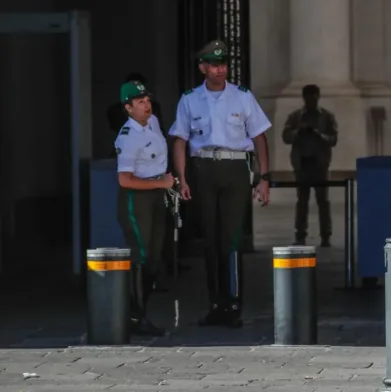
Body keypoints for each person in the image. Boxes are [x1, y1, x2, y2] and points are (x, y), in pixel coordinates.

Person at [169, 39, 271, 328]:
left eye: (223, 64)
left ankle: (234, 302)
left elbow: (260, 138)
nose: (220, 70)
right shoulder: (190, 99)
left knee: (232, 238)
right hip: (203, 169)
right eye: (214, 65)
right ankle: (216, 302)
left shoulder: (242, 96)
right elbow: (180, 141)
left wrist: (263, 178)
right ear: (202, 67)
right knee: (210, 240)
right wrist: (182, 178)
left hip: (235, 167)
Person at [114, 80, 174, 336]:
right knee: (140, 255)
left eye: (147, 100)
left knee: (154, 257)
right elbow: (124, 179)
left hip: (157, 193)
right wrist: (160, 182)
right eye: (140, 102)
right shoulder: (128, 137)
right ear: (128, 108)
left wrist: (164, 183)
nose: (146, 105)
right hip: (136, 198)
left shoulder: (154, 122)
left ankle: (138, 310)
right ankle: (136, 316)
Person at [282, 84, 338, 247]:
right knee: (302, 201)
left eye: (313, 98)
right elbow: (286, 137)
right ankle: (300, 234)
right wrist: (299, 131)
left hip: (320, 163)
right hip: (302, 163)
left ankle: (325, 235)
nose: (311, 101)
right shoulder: (295, 117)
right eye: (308, 98)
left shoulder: (327, 117)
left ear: (318, 97)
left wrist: (318, 135)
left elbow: (333, 139)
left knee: (323, 201)